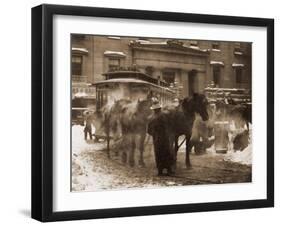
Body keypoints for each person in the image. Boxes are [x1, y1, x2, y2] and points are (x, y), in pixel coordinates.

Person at [148, 98, 175, 176]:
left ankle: (160, 170)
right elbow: (171, 124)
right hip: (165, 137)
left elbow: (148, 131)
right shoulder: (165, 115)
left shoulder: (151, 118)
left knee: (158, 153)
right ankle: (169, 169)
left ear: (154, 109)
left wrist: (154, 134)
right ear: (159, 108)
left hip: (156, 139)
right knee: (167, 152)